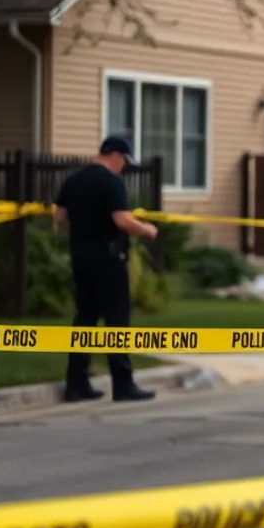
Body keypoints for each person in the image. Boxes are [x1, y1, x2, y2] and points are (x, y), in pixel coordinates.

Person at [55, 136, 159, 403]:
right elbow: (121, 219)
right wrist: (147, 229)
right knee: (116, 321)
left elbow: (59, 217)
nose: (123, 167)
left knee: (85, 319)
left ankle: (76, 384)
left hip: (80, 257)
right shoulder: (111, 182)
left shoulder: (73, 180)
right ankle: (123, 385)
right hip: (109, 259)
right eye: (123, 161)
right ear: (115, 155)